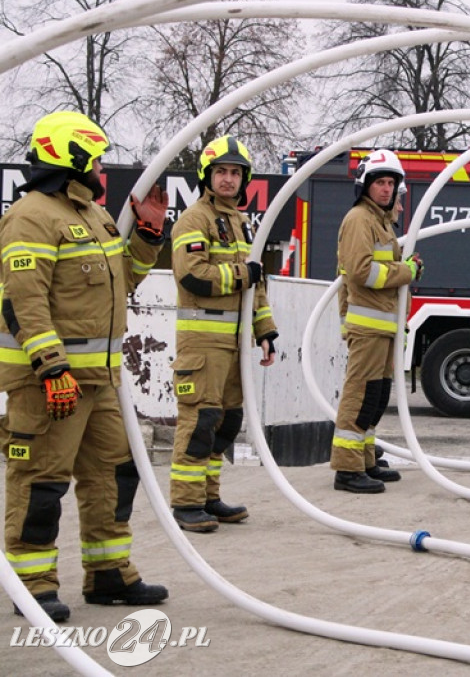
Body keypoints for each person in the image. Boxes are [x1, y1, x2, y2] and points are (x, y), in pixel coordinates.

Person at [2, 111, 169, 620]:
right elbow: (23, 300)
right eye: (95, 159)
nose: (101, 168)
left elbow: (124, 281)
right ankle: (32, 585)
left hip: (99, 382)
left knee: (113, 473)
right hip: (50, 383)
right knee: (41, 481)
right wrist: (52, 368)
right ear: (70, 159)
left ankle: (108, 573)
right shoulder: (31, 216)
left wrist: (148, 233)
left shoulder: (93, 216)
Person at [169, 135, 278, 532]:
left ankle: (208, 497)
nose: (228, 179)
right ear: (207, 176)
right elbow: (193, 275)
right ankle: (186, 503)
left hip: (235, 345)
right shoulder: (193, 219)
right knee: (200, 421)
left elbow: (255, 287)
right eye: (221, 172)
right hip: (203, 345)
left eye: (235, 172)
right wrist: (241, 274)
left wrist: (265, 331)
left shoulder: (240, 223)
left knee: (226, 423)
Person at [331, 149, 420, 493]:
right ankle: (347, 468)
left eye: (390, 183)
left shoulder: (380, 221)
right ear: (365, 185)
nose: (386, 189)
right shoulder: (359, 219)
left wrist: (406, 269)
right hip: (368, 327)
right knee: (360, 395)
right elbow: (361, 272)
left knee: (376, 397)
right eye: (380, 182)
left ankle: (365, 459)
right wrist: (406, 271)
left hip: (384, 327)